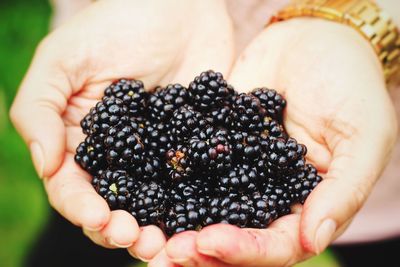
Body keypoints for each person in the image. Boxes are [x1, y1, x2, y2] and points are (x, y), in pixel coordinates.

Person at [10, 0, 400, 266]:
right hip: (146, 33)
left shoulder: (253, 145)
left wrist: (365, 27)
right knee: (80, 238)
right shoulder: (147, 143)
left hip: (358, 158)